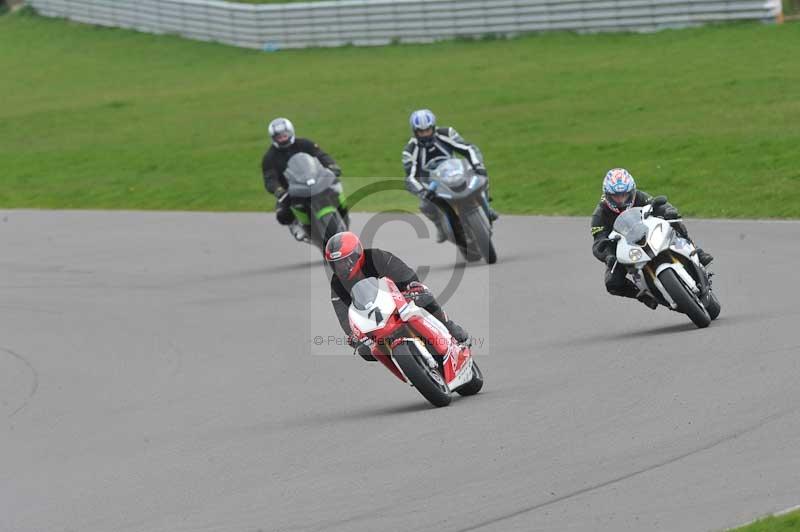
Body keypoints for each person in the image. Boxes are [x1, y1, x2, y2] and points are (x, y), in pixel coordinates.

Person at [325, 231, 470, 360]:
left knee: (423, 296)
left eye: (344, 261)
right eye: (336, 264)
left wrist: (412, 286)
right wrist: (352, 334)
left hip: (400, 298)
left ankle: (448, 326)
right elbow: (343, 313)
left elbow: (403, 272)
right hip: (374, 318)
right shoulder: (337, 282)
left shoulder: (376, 256)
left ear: (356, 254)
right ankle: (405, 366)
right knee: (366, 351)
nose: (341, 267)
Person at [590, 168, 714, 309]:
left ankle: (695, 249)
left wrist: (668, 211)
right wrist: (608, 256)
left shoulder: (639, 196)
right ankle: (643, 296)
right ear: (607, 195)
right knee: (612, 283)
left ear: (631, 191)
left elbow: (658, 204)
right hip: (624, 248)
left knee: (673, 221)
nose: (620, 200)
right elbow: (598, 243)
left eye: (624, 195)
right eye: (616, 196)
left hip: (647, 233)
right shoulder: (599, 215)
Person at [401, 109, 497, 243]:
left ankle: (487, 207)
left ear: (433, 127)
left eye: (428, 130)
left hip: (455, 171)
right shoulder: (409, 150)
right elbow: (410, 176)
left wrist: (478, 165)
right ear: (415, 132)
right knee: (425, 206)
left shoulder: (447, 133)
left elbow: (468, 148)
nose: (425, 134)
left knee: (481, 176)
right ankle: (440, 226)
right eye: (421, 132)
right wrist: (422, 191)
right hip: (432, 183)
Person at [261, 117, 343, 241]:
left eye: (284, 135)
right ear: (273, 138)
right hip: (291, 189)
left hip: (314, 180)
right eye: (279, 137)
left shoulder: (304, 144)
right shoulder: (270, 157)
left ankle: (342, 211)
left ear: (290, 132)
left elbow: (321, 155)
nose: (282, 138)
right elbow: (269, 178)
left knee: (335, 186)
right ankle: (295, 225)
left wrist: (331, 166)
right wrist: (279, 191)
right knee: (282, 214)